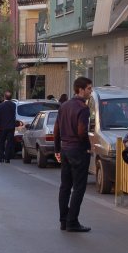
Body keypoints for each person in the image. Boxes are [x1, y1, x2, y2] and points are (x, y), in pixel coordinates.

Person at [53, 76, 93, 232]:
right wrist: (87, 146)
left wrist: (57, 149)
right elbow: (82, 131)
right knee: (78, 187)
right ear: (80, 90)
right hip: (78, 150)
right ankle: (72, 221)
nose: (90, 91)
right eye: (89, 88)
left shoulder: (64, 106)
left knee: (65, 186)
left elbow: (56, 129)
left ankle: (63, 220)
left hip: (65, 149)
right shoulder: (83, 108)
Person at [0, 91, 16, 163]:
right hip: (11, 127)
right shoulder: (13, 105)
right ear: (11, 98)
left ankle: (1, 157)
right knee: (9, 143)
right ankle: (7, 158)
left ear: (4, 97)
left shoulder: (1, 105)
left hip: (2, 127)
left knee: (1, 142)